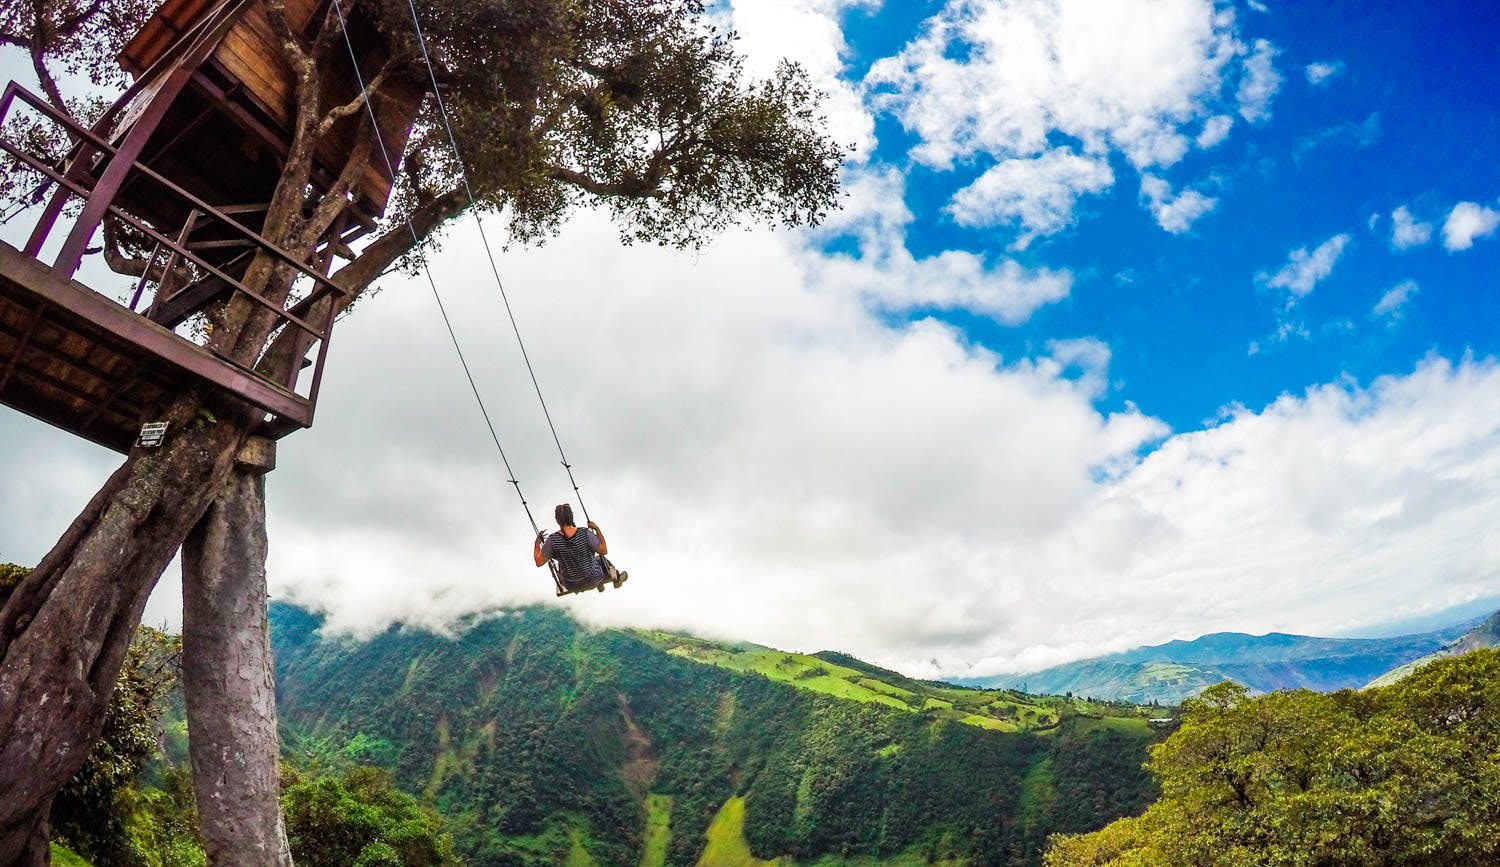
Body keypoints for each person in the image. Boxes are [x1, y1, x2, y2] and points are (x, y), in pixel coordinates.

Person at [534, 503, 628, 592]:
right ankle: (616, 579)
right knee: (600, 559)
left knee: (571, 563)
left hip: (570, 584)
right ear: (571, 517)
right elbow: (603, 550)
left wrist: (537, 543)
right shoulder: (584, 533)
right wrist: (597, 529)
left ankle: (600, 584)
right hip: (593, 579)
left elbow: (538, 562)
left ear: (557, 520)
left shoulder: (552, 540)